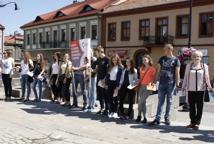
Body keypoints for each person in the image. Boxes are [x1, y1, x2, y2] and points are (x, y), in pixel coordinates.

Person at [150, 44, 180, 126]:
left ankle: (167, 118)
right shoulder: (162, 59)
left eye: (165, 49)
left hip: (171, 83)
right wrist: (155, 80)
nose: (164, 51)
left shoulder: (176, 60)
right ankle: (157, 118)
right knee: (160, 101)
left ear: (170, 49)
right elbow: (158, 70)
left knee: (169, 101)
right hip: (161, 83)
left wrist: (177, 84)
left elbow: (177, 72)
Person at [182, 50, 213, 130]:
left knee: (200, 107)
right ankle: (192, 122)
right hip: (190, 89)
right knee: (191, 107)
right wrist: (183, 86)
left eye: (198, 56)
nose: (197, 58)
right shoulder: (189, 65)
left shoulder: (204, 66)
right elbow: (185, 77)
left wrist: (209, 87)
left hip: (201, 90)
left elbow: (207, 77)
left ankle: (197, 123)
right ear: (192, 57)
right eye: (195, 56)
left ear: (201, 58)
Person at [135, 55, 156, 123]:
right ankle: (145, 117)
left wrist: (152, 85)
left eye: (145, 60)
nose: (144, 61)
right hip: (141, 86)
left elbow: (154, 79)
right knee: (143, 102)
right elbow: (141, 78)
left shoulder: (152, 69)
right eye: (143, 60)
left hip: (148, 87)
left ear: (149, 60)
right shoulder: (141, 68)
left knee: (140, 101)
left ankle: (139, 115)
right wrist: (136, 83)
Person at [106, 54, 123, 118]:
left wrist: (118, 86)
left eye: (115, 60)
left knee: (115, 99)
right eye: (113, 60)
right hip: (110, 83)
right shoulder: (110, 66)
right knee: (110, 98)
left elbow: (120, 78)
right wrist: (107, 83)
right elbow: (108, 75)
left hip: (116, 84)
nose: (114, 61)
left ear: (118, 60)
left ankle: (115, 112)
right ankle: (111, 111)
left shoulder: (120, 67)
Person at [96, 46, 109, 115]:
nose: (96, 54)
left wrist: (104, 79)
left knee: (105, 95)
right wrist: (93, 70)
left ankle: (107, 109)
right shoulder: (98, 59)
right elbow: (97, 69)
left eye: (96, 52)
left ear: (99, 52)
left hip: (104, 80)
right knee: (100, 95)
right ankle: (101, 108)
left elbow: (108, 71)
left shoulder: (107, 59)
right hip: (98, 79)